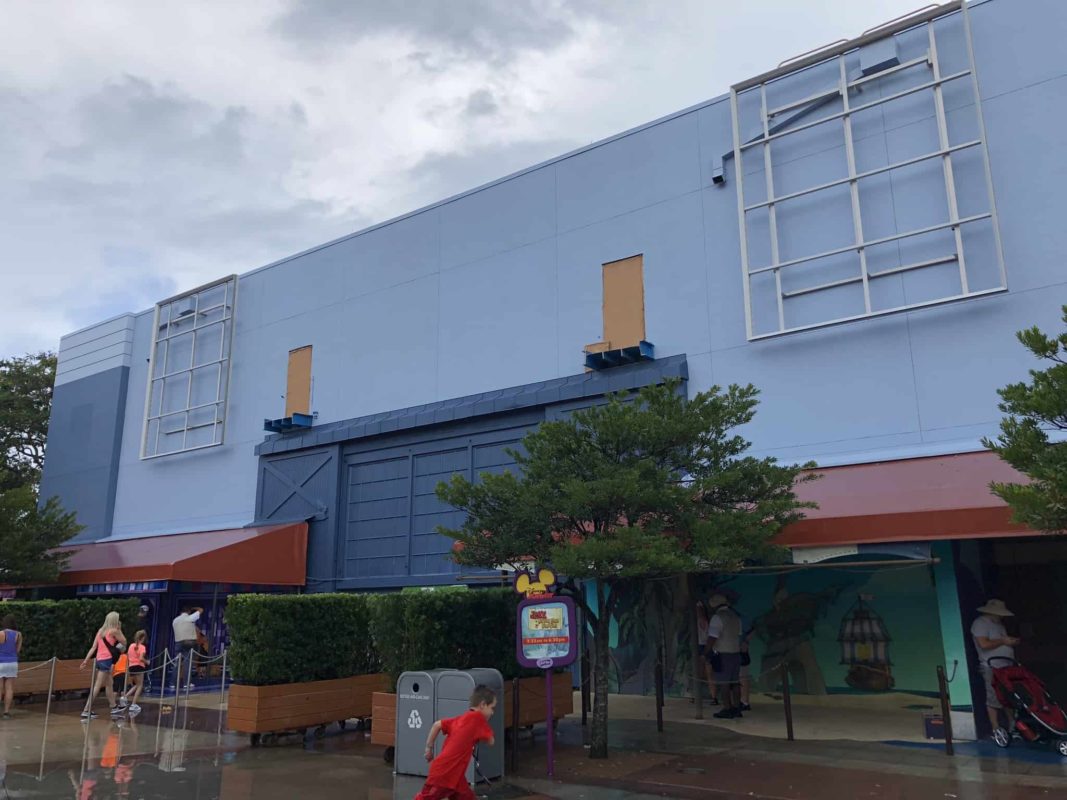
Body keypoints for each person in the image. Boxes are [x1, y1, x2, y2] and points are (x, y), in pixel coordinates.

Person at [414, 685, 496, 800]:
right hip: (446, 773)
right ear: (482, 705)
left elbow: (437, 725)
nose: (492, 712)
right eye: (492, 708)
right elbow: (491, 741)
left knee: (466, 797)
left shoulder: (459, 719)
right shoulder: (478, 719)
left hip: (455, 775)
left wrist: (429, 748)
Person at [971, 598, 1020, 736]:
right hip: (991, 666)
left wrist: (1010, 642)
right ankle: (995, 728)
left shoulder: (999, 625)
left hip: (1006, 666)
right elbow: (984, 644)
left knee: (1008, 696)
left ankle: (1012, 725)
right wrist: (1003, 641)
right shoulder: (980, 623)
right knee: (993, 698)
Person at [80, 611, 127, 720]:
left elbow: (93, 647)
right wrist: (120, 629)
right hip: (107, 660)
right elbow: (124, 642)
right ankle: (86, 710)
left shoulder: (100, 631)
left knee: (109, 683)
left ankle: (113, 706)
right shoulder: (114, 631)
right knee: (98, 685)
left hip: (99, 659)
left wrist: (86, 660)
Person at [706, 594, 744, 720]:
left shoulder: (717, 617)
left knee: (724, 683)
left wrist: (706, 652)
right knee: (735, 682)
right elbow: (738, 634)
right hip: (735, 653)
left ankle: (727, 708)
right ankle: (737, 708)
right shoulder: (736, 617)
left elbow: (712, 637)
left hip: (722, 653)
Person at [693, 602, 718, 705]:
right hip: (702, 646)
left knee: (707, 674)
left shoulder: (702, 620)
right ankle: (709, 696)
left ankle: (712, 697)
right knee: (704, 674)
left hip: (703, 646)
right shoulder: (706, 620)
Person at [171, 605, 203, 690]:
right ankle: (186, 683)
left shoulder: (175, 620)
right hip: (189, 642)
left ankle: (172, 684)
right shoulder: (190, 618)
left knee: (176, 664)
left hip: (178, 642)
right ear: (188, 612)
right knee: (187, 664)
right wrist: (194, 608)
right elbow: (201, 610)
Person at [0, 615, 22, 720]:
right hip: (13, 662)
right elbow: (17, 650)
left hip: (1, 662)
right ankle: (6, 712)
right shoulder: (18, 634)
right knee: (9, 688)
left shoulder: (1, 633)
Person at [122, 631, 148, 714]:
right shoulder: (142, 647)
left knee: (136, 684)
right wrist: (147, 662)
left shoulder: (131, 645)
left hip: (131, 667)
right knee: (140, 685)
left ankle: (125, 697)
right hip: (139, 666)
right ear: (142, 638)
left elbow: (128, 656)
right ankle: (133, 704)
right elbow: (141, 658)